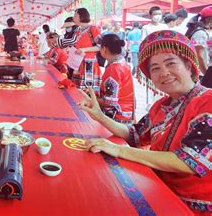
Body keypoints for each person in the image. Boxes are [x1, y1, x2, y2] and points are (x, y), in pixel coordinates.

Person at [78, 30, 211, 215]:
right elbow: (134, 134)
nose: (164, 73)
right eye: (155, 68)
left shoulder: (208, 101)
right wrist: (99, 116)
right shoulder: (161, 106)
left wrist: (119, 149)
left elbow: (189, 161)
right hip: (157, 192)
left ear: (189, 65)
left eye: (171, 63)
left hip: (190, 209)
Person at [52, 8, 101, 91]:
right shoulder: (78, 30)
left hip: (89, 63)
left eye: (75, 16)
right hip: (77, 62)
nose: (73, 18)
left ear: (81, 17)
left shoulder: (93, 29)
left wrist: (84, 49)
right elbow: (74, 43)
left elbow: (100, 46)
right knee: (78, 89)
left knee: (88, 89)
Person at [97, 34, 134, 123]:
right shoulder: (122, 63)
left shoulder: (114, 69)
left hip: (118, 116)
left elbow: (109, 102)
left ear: (104, 49)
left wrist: (91, 99)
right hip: (127, 112)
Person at [187, 6, 212, 88]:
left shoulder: (201, 31)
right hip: (200, 74)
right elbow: (199, 56)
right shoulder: (200, 33)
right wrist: (206, 74)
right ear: (209, 20)